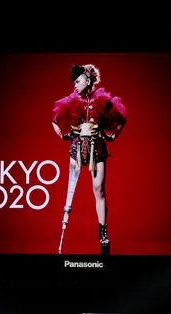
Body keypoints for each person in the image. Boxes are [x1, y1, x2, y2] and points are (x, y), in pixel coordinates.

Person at [52, 63, 127, 255]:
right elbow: (55, 120)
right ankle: (63, 232)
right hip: (77, 148)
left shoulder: (101, 99)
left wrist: (111, 136)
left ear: (88, 79)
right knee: (71, 189)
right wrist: (65, 135)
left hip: (98, 148)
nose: (75, 85)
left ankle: (103, 231)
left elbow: (120, 120)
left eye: (78, 81)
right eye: (74, 82)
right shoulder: (71, 100)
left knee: (99, 189)